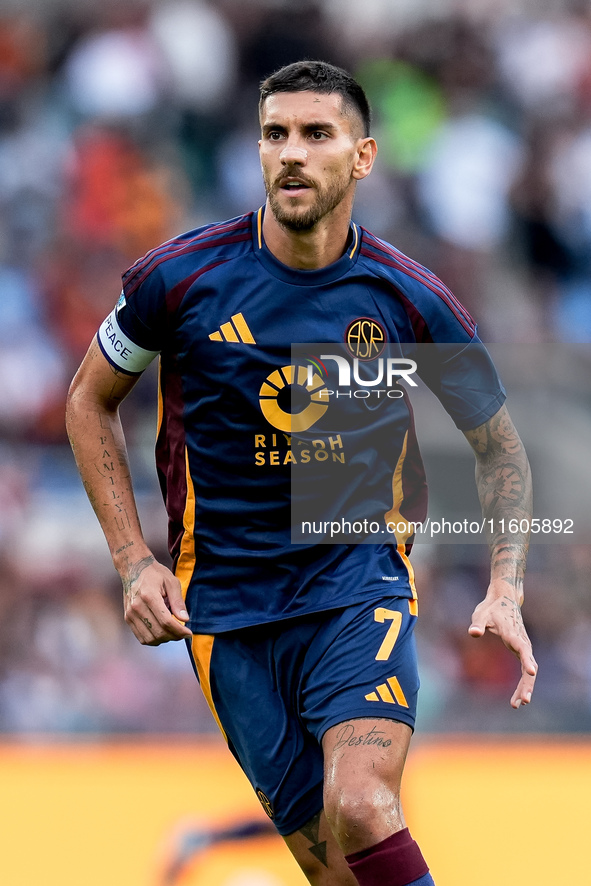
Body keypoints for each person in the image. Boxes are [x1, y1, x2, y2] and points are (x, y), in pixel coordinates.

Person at [66, 61, 537, 886]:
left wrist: (504, 585)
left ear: (361, 156)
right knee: (334, 872)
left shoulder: (405, 299)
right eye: (275, 134)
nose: (291, 153)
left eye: (316, 134)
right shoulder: (180, 281)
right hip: (223, 612)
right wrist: (132, 560)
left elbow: (497, 444)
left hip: (354, 589)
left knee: (361, 806)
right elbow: (86, 401)